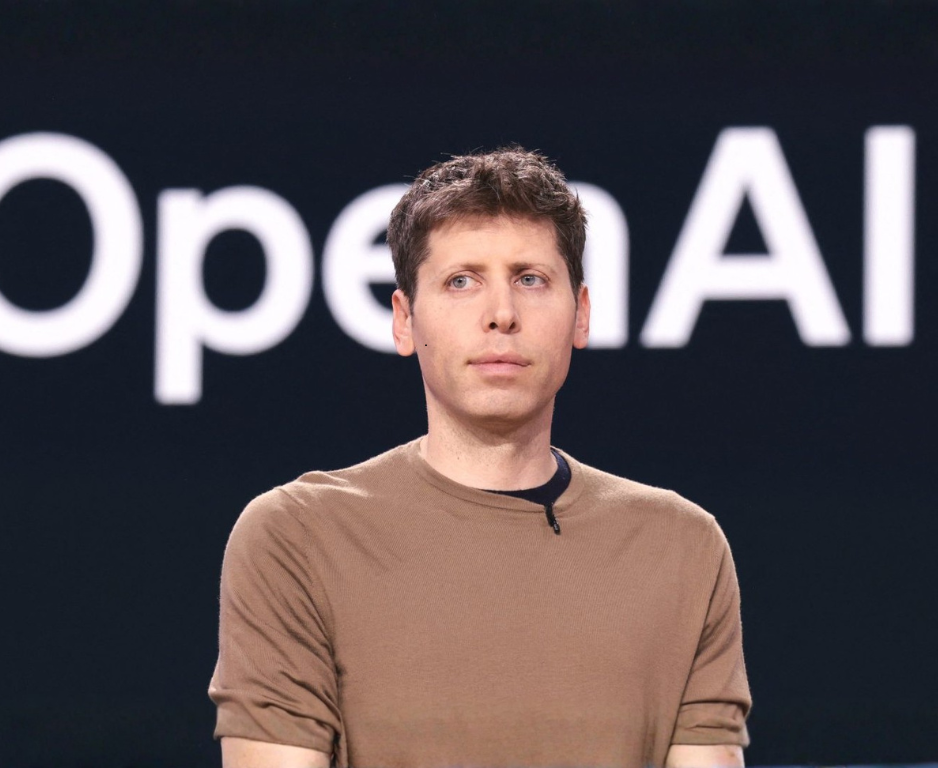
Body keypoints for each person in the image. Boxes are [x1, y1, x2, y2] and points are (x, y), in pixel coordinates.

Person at [209, 147, 752, 768]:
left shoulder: (681, 546)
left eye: (530, 279)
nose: (501, 315)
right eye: (461, 281)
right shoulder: (298, 537)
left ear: (582, 314)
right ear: (405, 320)